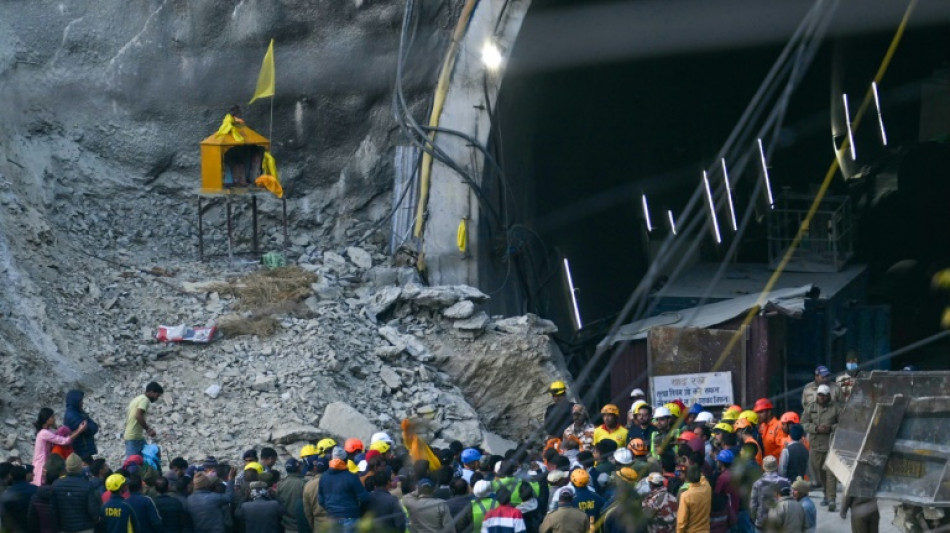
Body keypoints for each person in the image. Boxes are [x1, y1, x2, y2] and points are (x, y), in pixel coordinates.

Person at [801, 383, 841, 511]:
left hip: (831, 445)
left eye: (823, 395)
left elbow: (843, 424)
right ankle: (825, 494)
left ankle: (832, 499)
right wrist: (816, 428)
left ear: (829, 396)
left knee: (830, 472)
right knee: (820, 472)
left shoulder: (836, 408)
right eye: (819, 395)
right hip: (816, 445)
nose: (821, 397)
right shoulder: (810, 407)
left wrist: (830, 428)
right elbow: (804, 423)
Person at [317, 447, 368, 533]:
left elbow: (320, 500)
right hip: (350, 517)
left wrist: (331, 510)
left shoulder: (324, 477)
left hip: (332, 518)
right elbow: (364, 497)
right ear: (346, 460)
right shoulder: (351, 477)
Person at [32, 408, 86, 486]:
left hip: (45, 464)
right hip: (41, 465)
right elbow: (64, 441)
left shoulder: (47, 432)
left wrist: (77, 430)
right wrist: (80, 430)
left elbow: (64, 437)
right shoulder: (44, 433)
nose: (54, 419)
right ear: (46, 419)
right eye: (52, 417)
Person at [50, 453, 100, 533]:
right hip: (85, 528)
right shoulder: (87, 485)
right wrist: (97, 519)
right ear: (80, 466)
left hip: (65, 528)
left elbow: (53, 510)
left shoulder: (56, 484)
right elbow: (93, 510)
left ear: (66, 466)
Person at [187, 469, 236, 533]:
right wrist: (231, 479)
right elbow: (229, 497)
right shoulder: (214, 497)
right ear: (207, 484)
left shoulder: (189, 499)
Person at [124, 382, 164, 460]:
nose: (157, 398)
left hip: (137, 436)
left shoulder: (138, 398)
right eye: (157, 395)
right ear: (152, 392)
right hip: (133, 437)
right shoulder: (144, 400)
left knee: (147, 457)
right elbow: (138, 415)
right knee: (131, 463)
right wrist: (148, 429)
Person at [749, 456, 788, 530]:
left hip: (761, 522)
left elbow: (753, 504)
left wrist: (753, 518)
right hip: (779, 521)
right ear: (776, 467)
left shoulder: (757, 484)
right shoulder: (785, 482)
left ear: (763, 467)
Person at [63, 390, 99, 464]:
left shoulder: (77, 412)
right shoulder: (72, 415)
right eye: (80, 401)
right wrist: (89, 422)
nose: (82, 402)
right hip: (81, 451)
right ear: (75, 401)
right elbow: (91, 429)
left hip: (83, 450)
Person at [0, 465, 36, 532]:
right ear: (25, 475)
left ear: (11, 477)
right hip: (32, 528)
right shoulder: (36, 490)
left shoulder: (6, 495)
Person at [675, 465, 710, 533]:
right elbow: (703, 478)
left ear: (688, 477)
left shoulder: (685, 496)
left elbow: (681, 522)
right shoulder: (707, 487)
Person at [277, 458, 306, 532]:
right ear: (298, 468)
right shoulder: (304, 483)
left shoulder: (280, 484)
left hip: (286, 526)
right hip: (301, 526)